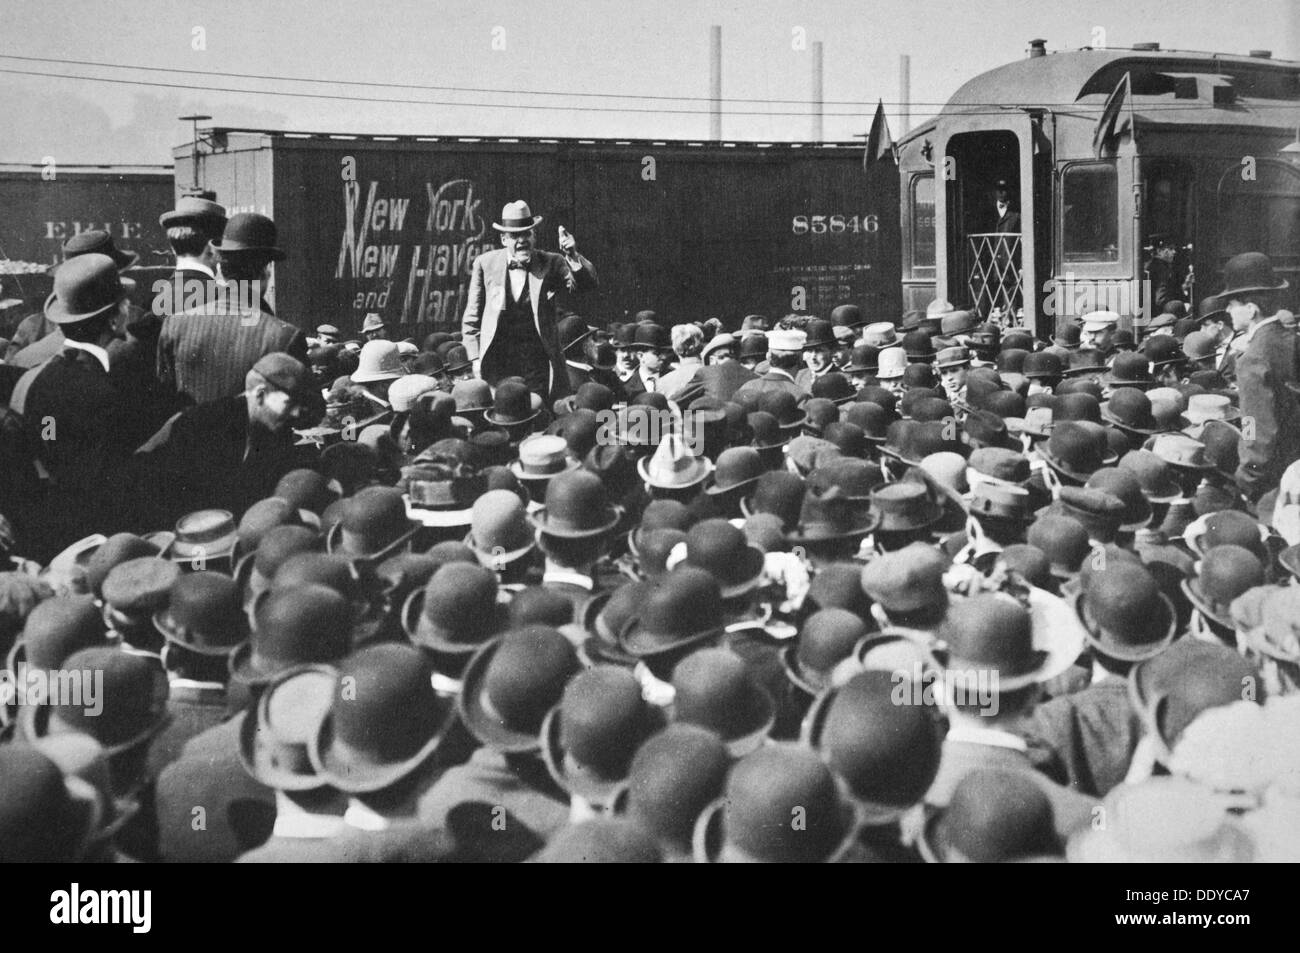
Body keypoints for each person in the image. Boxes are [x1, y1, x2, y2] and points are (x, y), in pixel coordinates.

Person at [137, 352, 323, 526]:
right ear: (260, 395)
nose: (297, 413)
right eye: (290, 403)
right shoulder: (205, 426)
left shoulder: (274, 430)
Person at [155, 213, 308, 405]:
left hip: (191, 433)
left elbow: (163, 398)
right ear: (265, 272)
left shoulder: (174, 325)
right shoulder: (285, 336)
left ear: (220, 269)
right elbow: (307, 410)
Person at [461, 201, 598, 401]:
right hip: (498, 363)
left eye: (527, 233)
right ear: (503, 239)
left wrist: (573, 255)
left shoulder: (552, 262)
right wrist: (474, 359)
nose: (522, 240)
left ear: (534, 236)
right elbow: (471, 318)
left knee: (538, 411)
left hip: (539, 363)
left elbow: (586, 286)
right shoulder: (485, 264)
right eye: (515, 235)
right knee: (505, 413)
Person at [1220, 252, 1300, 503]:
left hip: (1271, 482)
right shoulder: (1291, 340)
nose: (1227, 310)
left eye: (1232, 304)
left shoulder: (1252, 359)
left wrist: (1247, 479)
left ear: (1251, 309)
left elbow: (1254, 428)